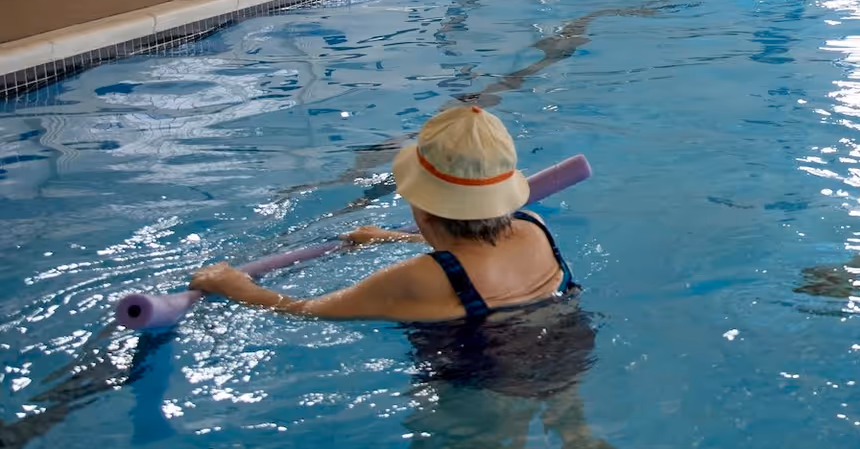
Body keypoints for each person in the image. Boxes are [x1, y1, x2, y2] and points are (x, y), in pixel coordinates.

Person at [188, 105, 576, 321]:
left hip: (486, 375)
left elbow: (306, 310)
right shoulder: (533, 227)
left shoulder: (418, 276)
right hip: (567, 344)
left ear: (422, 204)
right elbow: (475, 256)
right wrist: (394, 239)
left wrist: (235, 287)